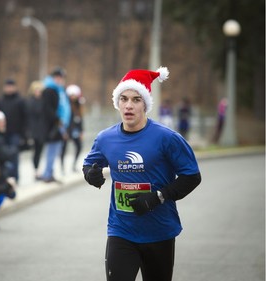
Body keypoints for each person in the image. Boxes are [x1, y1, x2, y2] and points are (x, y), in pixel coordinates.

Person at [82, 67, 201, 281]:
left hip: (159, 232)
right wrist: (91, 174)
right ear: (117, 103)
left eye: (136, 99)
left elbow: (191, 176)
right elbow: (89, 165)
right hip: (121, 231)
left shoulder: (167, 138)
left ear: (145, 104)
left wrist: (158, 197)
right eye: (124, 99)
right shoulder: (105, 138)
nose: (129, 105)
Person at [38, 67, 71, 183]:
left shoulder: (59, 90)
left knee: (55, 150)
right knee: (52, 150)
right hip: (54, 125)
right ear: (53, 78)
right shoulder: (49, 90)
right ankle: (48, 174)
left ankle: (49, 172)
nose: (60, 80)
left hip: (59, 124)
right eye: (57, 77)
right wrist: (58, 120)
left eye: (61, 78)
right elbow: (48, 109)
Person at [0, 79, 27, 182]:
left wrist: (24, 135)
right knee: (2, 156)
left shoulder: (20, 101)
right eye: (7, 86)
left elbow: (25, 118)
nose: (9, 89)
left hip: (15, 133)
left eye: (11, 86)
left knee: (14, 156)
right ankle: (4, 177)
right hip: (2, 134)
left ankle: (14, 177)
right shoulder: (0, 101)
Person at [60, 84, 85, 173]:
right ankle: (62, 166)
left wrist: (82, 131)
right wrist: (63, 131)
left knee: (79, 146)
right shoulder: (66, 105)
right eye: (72, 95)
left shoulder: (79, 106)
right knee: (63, 148)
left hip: (75, 131)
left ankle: (74, 165)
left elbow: (81, 119)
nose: (73, 97)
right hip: (67, 130)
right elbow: (63, 119)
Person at [26, 80, 45, 179]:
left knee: (39, 151)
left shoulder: (43, 101)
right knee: (35, 151)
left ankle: (37, 169)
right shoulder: (30, 102)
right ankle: (35, 170)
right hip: (33, 130)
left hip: (41, 130)